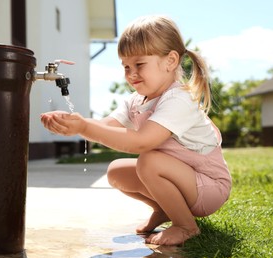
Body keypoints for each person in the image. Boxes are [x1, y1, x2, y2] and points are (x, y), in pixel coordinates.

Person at [41, 15, 232, 246]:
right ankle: (164, 209)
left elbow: (143, 142)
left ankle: (186, 226)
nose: (131, 73)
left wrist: (84, 126)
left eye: (139, 64)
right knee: (116, 171)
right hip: (185, 181)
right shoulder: (136, 101)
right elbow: (105, 127)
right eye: (126, 66)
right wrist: (75, 124)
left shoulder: (179, 98)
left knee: (149, 161)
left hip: (208, 187)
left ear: (170, 61)